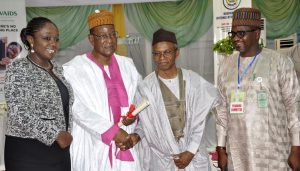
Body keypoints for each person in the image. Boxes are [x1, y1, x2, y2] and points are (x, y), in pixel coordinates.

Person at [216, 7, 300, 171]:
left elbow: (293, 107)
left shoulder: (279, 62)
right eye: (233, 33)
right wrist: (221, 148)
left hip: (274, 154)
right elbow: (221, 111)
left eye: (241, 33)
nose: (235, 39)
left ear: (257, 33)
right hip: (238, 154)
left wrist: (296, 148)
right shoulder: (226, 66)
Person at [125, 28, 220, 170]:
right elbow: (146, 124)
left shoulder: (193, 81)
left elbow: (201, 119)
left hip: (192, 155)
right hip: (163, 160)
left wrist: (191, 151)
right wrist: (136, 136)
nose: (161, 58)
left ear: (177, 52)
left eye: (166, 52)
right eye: (156, 54)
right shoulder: (145, 87)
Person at [63, 10, 141, 171]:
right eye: (103, 36)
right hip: (92, 144)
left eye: (113, 35)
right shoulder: (74, 68)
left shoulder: (128, 65)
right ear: (91, 39)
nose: (110, 40)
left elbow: (139, 98)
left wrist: (134, 115)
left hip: (125, 142)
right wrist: (112, 131)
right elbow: (76, 109)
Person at [4, 17, 73, 171]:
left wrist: (65, 134)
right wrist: (55, 134)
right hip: (29, 152)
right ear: (31, 40)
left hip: (60, 150)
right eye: (47, 38)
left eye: (56, 39)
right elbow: (18, 113)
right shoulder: (18, 68)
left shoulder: (57, 68)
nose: (53, 44)